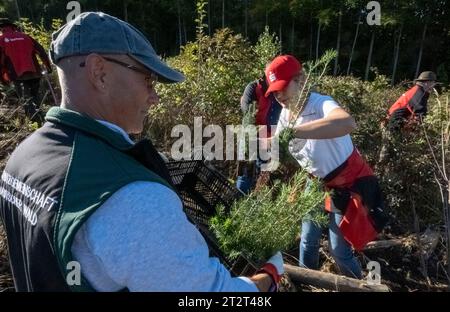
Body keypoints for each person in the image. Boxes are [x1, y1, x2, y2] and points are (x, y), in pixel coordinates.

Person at [0, 12, 283, 292]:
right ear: (100, 73)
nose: (155, 97)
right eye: (147, 80)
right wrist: (270, 275)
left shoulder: (22, 157)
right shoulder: (130, 195)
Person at [269, 55, 389, 279]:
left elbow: (346, 123)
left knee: (339, 250)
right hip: (314, 182)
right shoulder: (285, 115)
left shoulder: (321, 103)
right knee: (307, 239)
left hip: (346, 182)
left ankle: (356, 285)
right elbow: (278, 145)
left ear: (301, 80)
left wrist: (293, 132)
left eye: (283, 87)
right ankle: (309, 280)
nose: (279, 96)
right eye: (274, 91)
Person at [236, 60, 287, 193]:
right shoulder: (253, 87)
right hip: (250, 138)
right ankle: (239, 201)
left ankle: (254, 204)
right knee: (245, 174)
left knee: (264, 175)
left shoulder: (279, 93)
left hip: (270, 140)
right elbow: (246, 111)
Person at [378, 71, 438, 168]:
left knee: (391, 151)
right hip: (392, 124)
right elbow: (420, 113)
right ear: (426, 82)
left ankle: (386, 170)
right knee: (389, 152)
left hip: (394, 123)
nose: (433, 86)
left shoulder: (419, 91)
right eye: (433, 83)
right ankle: (381, 172)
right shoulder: (419, 92)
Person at [0, 18, 52, 121]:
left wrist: (3, 79)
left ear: (2, 29)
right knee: (37, 99)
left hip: (17, 75)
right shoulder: (25, 36)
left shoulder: (1, 40)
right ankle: (44, 119)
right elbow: (41, 51)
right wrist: (48, 67)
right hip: (34, 72)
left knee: (27, 101)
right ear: (13, 27)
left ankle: (36, 125)